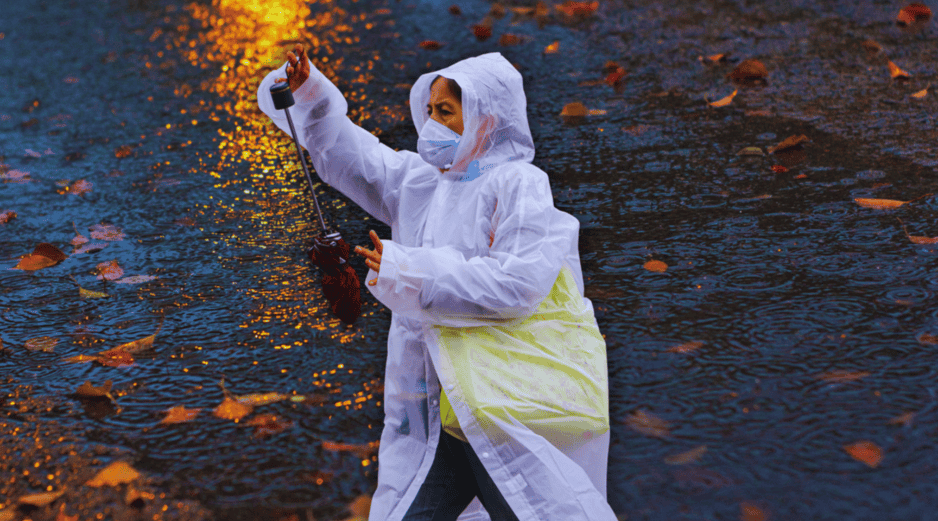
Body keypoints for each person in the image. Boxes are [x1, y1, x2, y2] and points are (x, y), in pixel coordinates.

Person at [258, 44, 616, 521]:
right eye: (428, 111)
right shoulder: (422, 182)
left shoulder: (519, 185)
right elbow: (349, 153)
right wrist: (311, 95)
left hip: (501, 403)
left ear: (486, 120)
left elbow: (518, 284)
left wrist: (407, 270)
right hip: (434, 408)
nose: (430, 124)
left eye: (445, 112)